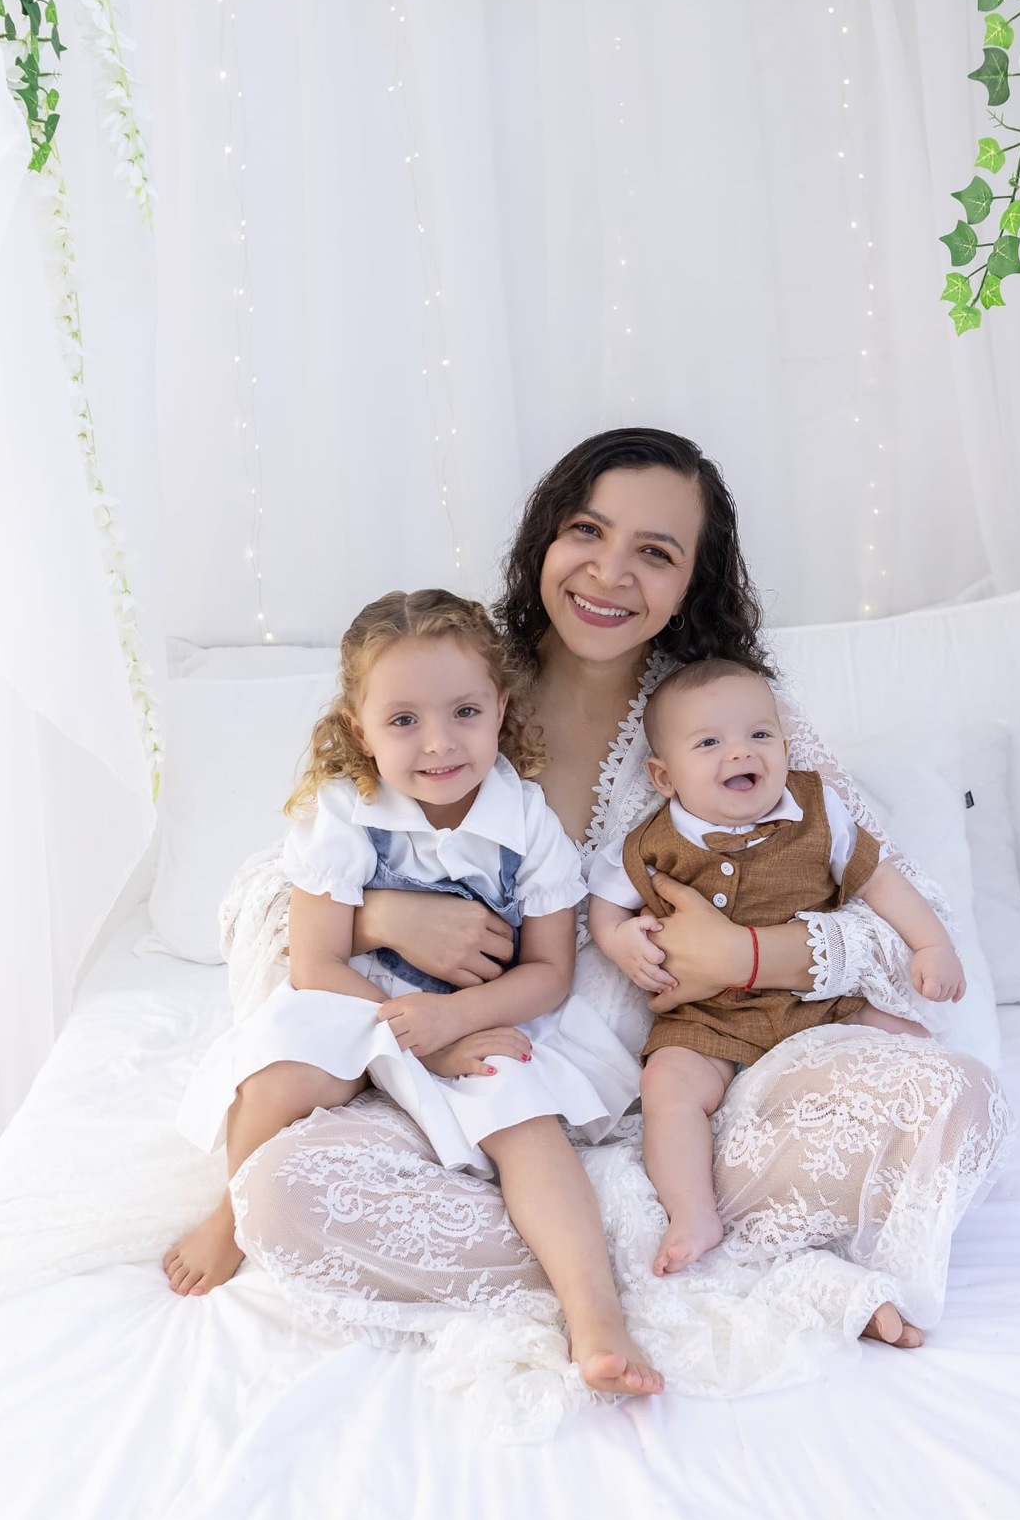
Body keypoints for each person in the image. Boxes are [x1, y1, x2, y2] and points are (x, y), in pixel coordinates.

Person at [226, 428, 1011, 1374]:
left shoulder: (722, 714)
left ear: (694, 582)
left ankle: (661, 1241)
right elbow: (269, 895)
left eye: (655, 552)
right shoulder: (460, 687)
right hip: (480, 1072)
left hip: (699, 1090)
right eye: (586, 531)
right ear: (543, 541)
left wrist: (750, 958)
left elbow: (903, 911)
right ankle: (663, 1268)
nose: (609, 573)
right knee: (280, 1193)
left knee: (945, 1095)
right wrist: (386, 919)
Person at [166, 589, 659, 1397]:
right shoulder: (344, 812)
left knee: (525, 1123)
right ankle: (232, 1214)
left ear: (501, 707)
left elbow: (549, 972)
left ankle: (593, 1310)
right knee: (278, 1070)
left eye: (464, 710)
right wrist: (411, 1034)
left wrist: (460, 1024)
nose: (438, 743)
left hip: (482, 1009)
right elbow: (316, 965)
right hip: (359, 1002)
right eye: (403, 721)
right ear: (360, 729)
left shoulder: (528, 824)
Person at [586, 657, 966, 1277]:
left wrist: (932, 947)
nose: (739, 752)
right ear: (663, 775)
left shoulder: (818, 811)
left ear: (785, 747)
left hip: (816, 1004)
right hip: (707, 1017)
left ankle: (929, 1178)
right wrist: (620, 939)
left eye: (759, 735)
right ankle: (693, 1211)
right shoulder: (652, 842)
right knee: (667, 1087)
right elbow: (606, 902)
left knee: (923, 1055)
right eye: (708, 743)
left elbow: (882, 883)